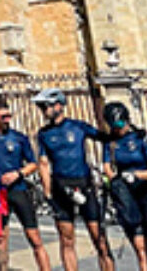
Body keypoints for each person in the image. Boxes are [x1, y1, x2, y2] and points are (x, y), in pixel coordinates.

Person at [33, 88, 113, 271]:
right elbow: (43, 164)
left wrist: (107, 167)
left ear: (58, 106)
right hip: (61, 188)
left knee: (99, 238)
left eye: (45, 107)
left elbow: (106, 139)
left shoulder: (78, 127)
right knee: (66, 239)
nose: (43, 111)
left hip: (84, 185)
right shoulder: (43, 134)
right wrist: (48, 193)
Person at [101, 102, 147, 271]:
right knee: (142, 253)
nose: (118, 128)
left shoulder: (142, 138)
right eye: (114, 125)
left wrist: (136, 175)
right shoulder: (110, 143)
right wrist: (116, 182)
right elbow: (107, 167)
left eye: (121, 124)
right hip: (129, 200)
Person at [0, 98, 50, 271]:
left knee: (34, 237)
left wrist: (18, 174)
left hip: (20, 190)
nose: (7, 120)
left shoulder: (19, 138)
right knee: (1, 237)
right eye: (3, 117)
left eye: (9, 116)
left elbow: (33, 164)